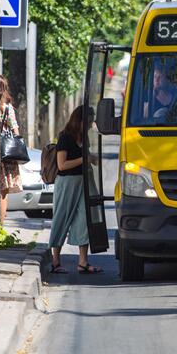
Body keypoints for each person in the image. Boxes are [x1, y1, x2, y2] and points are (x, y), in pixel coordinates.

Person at [49, 106, 103, 274]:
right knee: (62, 218)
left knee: (85, 220)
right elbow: (62, 165)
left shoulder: (84, 137)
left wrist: (91, 159)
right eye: (87, 121)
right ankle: (56, 261)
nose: (89, 125)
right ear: (78, 120)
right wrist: (84, 159)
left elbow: (83, 158)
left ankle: (83, 262)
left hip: (84, 181)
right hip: (67, 183)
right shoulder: (65, 137)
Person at [0, 75, 22, 224]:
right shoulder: (7, 109)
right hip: (5, 155)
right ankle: (0, 226)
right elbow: (16, 132)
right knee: (3, 192)